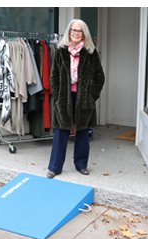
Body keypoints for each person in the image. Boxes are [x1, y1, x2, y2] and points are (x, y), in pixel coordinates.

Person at [47, 19, 105, 178]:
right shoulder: (60, 51)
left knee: (82, 132)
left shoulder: (91, 53)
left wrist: (92, 96)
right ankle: (55, 167)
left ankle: (81, 165)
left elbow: (99, 77)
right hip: (64, 98)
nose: (75, 33)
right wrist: (58, 97)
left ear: (84, 33)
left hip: (84, 98)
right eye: (73, 29)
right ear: (69, 31)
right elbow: (54, 77)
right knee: (61, 131)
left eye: (79, 30)